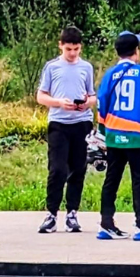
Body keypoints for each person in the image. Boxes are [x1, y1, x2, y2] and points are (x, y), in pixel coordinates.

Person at [96, 31, 140, 240]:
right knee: (139, 179)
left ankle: (106, 223)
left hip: (114, 133)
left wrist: (102, 133)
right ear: (137, 51)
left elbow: (102, 103)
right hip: (137, 134)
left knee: (111, 179)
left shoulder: (109, 75)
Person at [36, 25, 96, 234]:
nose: (72, 53)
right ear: (60, 46)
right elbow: (40, 96)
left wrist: (86, 103)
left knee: (78, 168)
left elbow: (93, 96)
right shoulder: (52, 67)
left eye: (76, 49)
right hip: (59, 123)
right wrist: (59, 102)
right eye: (69, 49)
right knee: (58, 169)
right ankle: (51, 213)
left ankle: (72, 213)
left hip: (81, 122)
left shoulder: (86, 67)